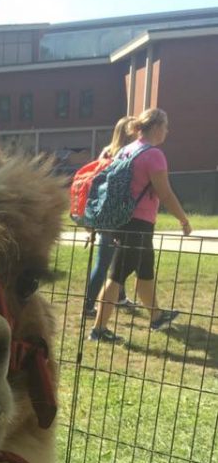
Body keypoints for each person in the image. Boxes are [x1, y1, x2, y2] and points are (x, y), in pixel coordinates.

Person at [89, 108, 192, 343]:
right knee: (117, 275)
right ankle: (98, 330)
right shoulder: (154, 154)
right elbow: (164, 193)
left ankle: (156, 317)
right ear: (156, 127)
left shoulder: (126, 150)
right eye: (165, 125)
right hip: (138, 223)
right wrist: (183, 220)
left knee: (145, 269)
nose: (167, 130)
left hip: (124, 220)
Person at [84, 116, 135, 317]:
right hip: (114, 215)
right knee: (104, 261)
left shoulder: (107, 151)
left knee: (117, 257)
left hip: (102, 213)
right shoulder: (124, 155)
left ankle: (120, 297)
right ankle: (88, 306)